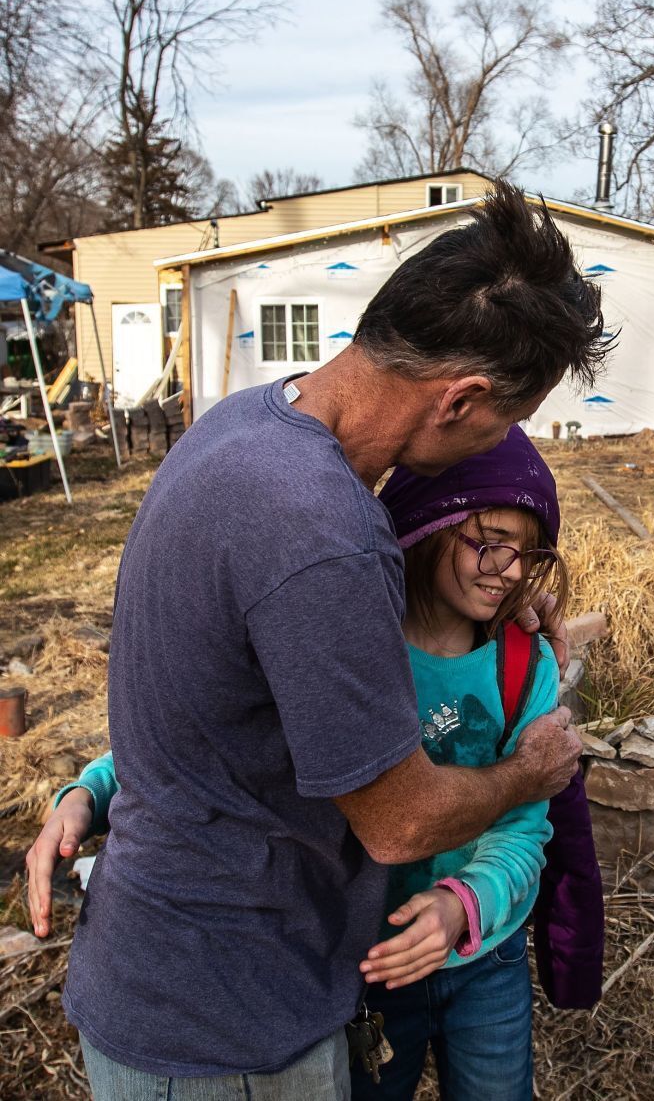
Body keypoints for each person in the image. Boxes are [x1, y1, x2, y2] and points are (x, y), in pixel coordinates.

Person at [24, 180, 607, 1098]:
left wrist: (495, 590)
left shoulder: (239, 430)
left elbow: (214, 705)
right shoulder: (323, 533)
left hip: (160, 970)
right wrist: (526, 776)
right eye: (503, 423)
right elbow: (402, 821)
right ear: (461, 398)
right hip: (230, 1019)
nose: (497, 446)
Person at [50, 428, 603, 1100]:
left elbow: (524, 823)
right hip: (361, 959)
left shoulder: (523, 666)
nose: (510, 570)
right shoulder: (349, 645)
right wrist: (92, 788)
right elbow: (214, 736)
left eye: (528, 553)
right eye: (488, 540)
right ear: (432, 521)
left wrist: (468, 904)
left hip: (487, 953)